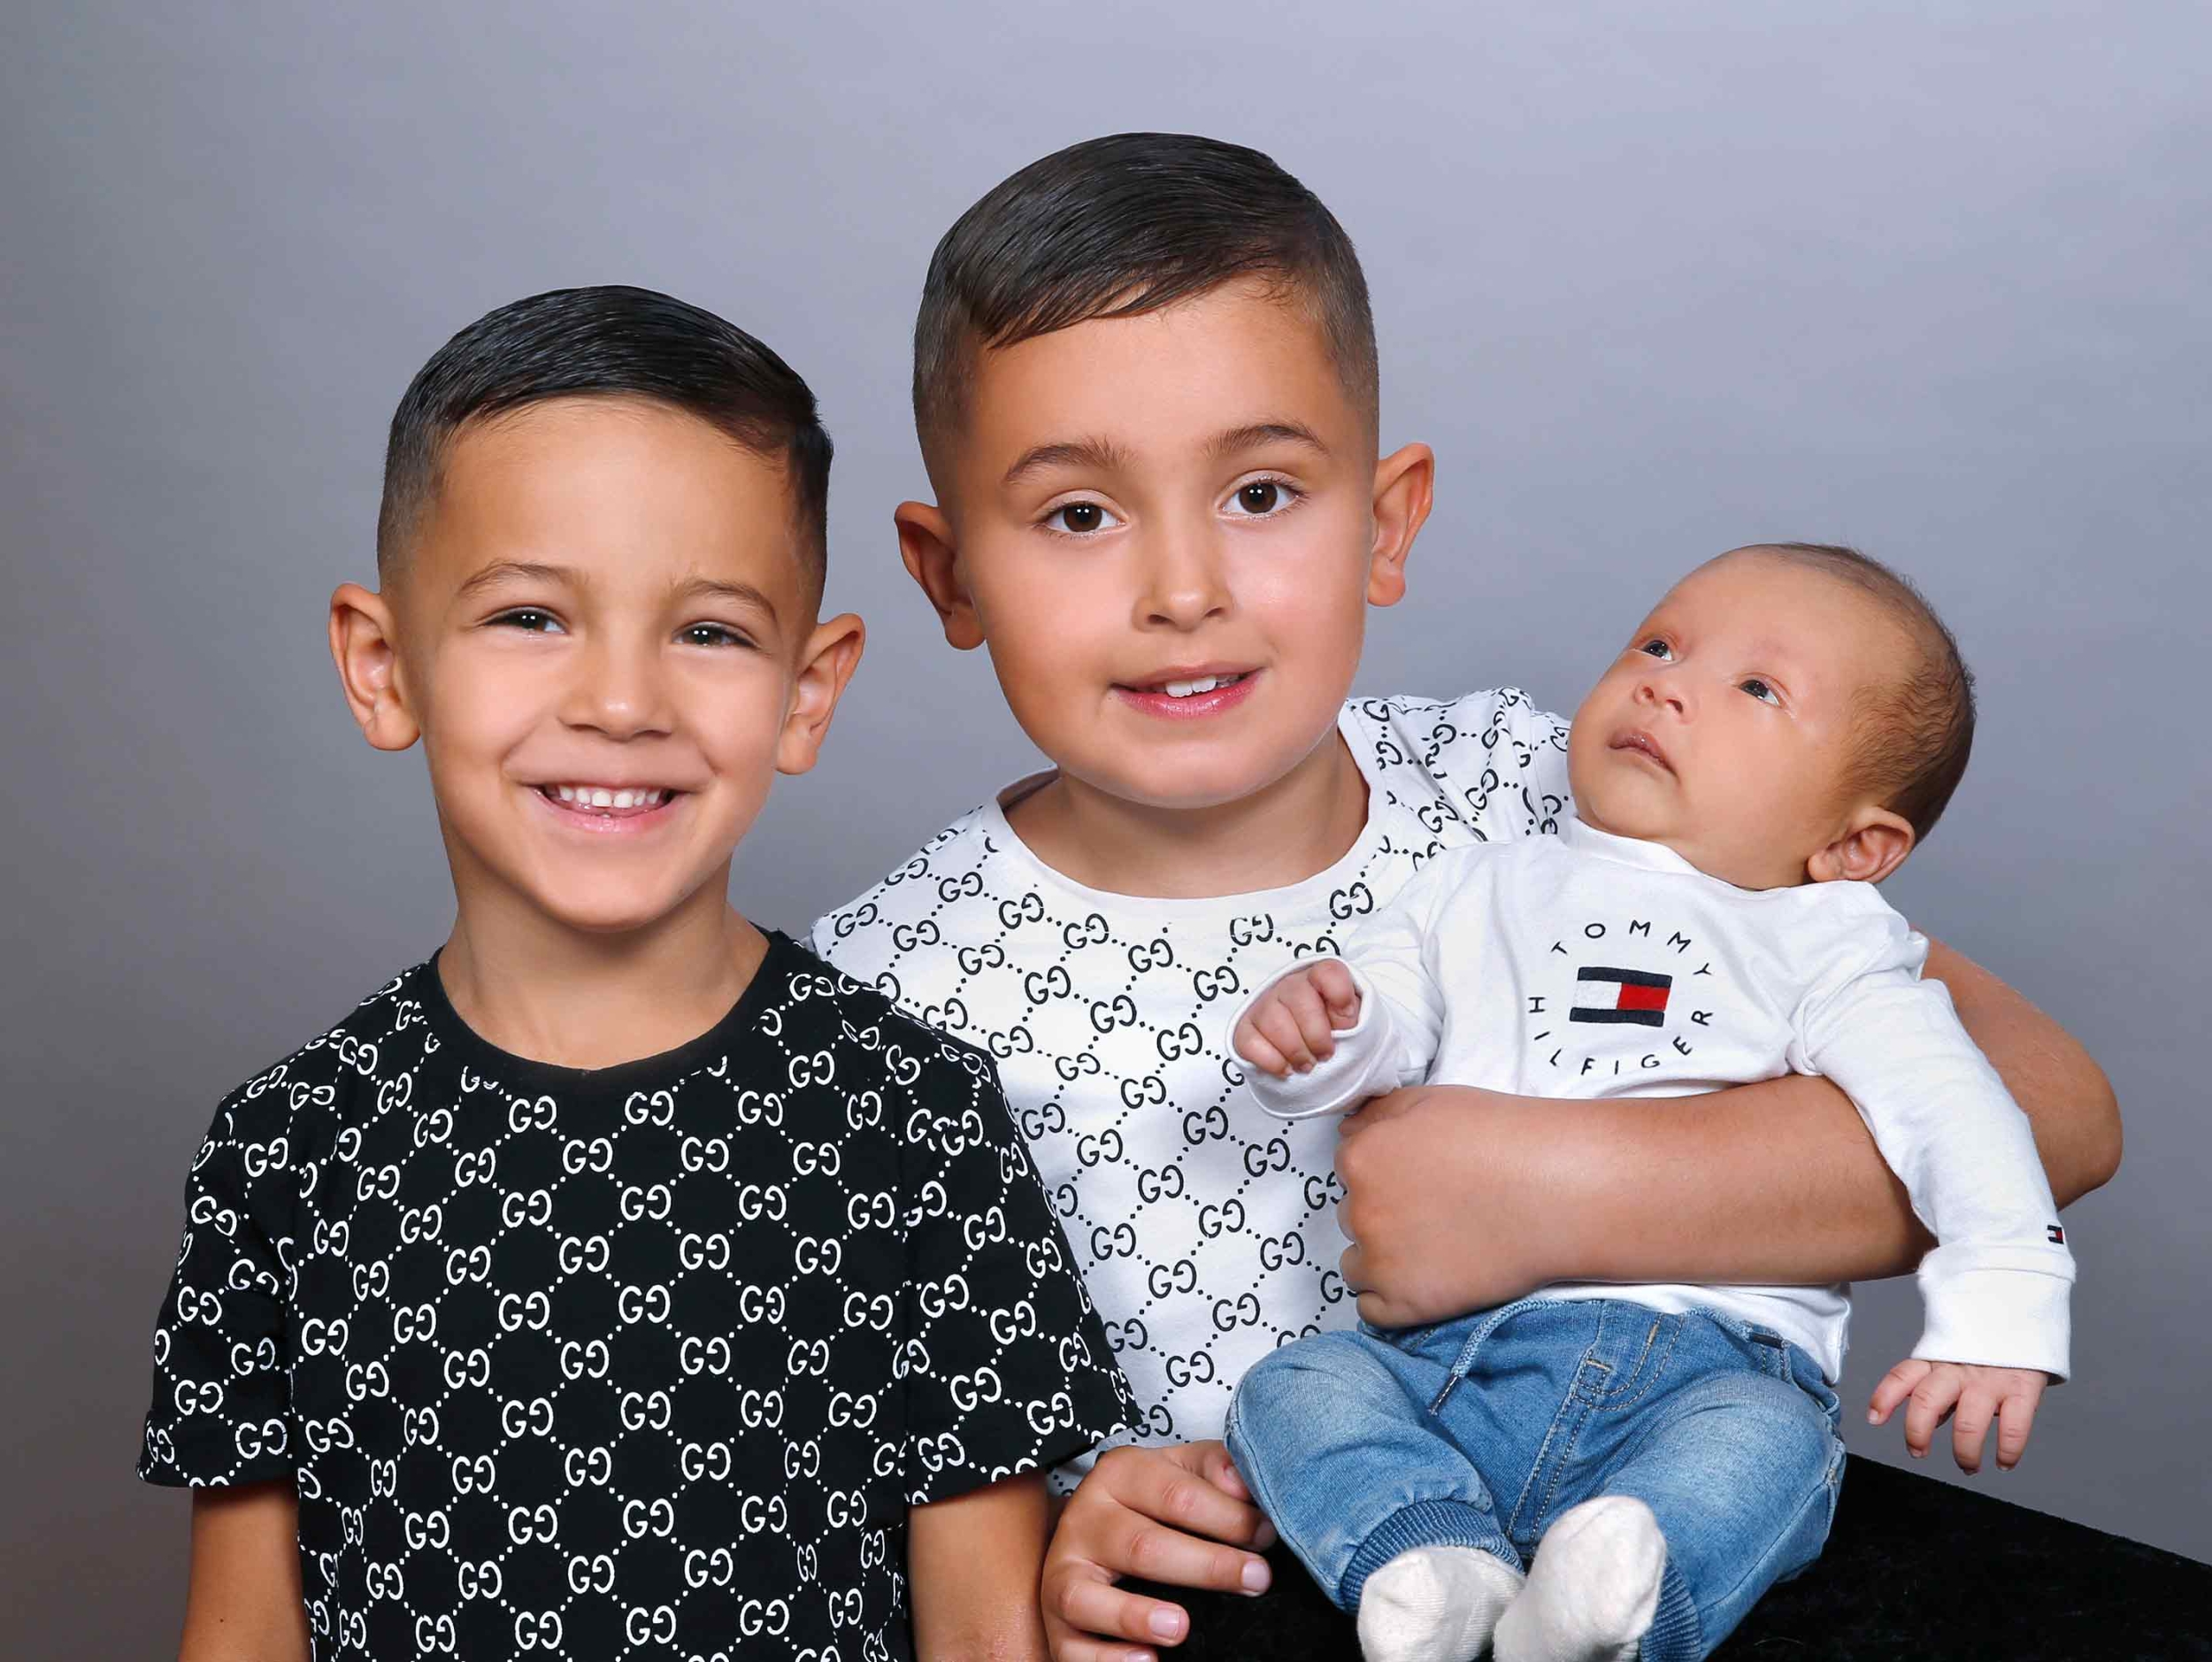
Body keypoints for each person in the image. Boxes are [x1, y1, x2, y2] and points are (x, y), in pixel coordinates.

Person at [810, 134, 2121, 1662]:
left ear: (1385, 524)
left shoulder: (1540, 789)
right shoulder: (880, 999)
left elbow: (2056, 1105)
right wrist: (1068, 1519)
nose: (1183, 589)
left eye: (1259, 491)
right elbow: (904, 1485)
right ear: (948, 573)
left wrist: (1561, 1187)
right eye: (1078, 516)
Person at [136, 285, 1135, 1662]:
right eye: (530, 616)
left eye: (708, 631)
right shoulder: (286, 1151)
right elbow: (244, 1631)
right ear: (383, 666)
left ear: (807, 692)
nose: (620, 702)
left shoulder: (916, 1124)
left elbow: (982, 1634)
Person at [1226, 542, 2073, 1662]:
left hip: (1710, 1366)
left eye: (1756, 688)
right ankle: (1428, 1561)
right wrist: (1319, 1032)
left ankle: (1616, 1606)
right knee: (1297, 1386)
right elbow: (1379, 1031)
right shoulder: (1476, 881)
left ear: (1854, 845)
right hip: (1454, 1359)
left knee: (1771, 1446)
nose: (1665, 685)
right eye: (1659, 645)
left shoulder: (1831, 944)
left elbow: (1954, 1114)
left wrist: (2002, 1305)